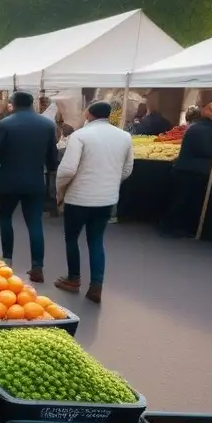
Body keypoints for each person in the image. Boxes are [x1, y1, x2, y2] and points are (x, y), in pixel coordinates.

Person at [53, 101, 134, 303]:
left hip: (78, 197)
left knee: (72, 238)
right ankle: (96, 284)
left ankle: (73, 279)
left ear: (88, 114)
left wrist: (60, 190)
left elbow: (67, 170)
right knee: (96, 240)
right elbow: (127, 169)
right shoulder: (124, 136)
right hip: (106, 198)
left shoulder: (80, 136)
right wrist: (110, 183)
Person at [0, 91, 57, 282]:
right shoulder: (47, 125)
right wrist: (50, 172)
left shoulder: (5, 124)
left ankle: (7, 260)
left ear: (13, 104)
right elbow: (52, 156)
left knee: (6, 219)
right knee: (35, 223)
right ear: (32, 104)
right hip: (34, 182)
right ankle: (37, 266)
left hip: (9, 180)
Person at [159, 106, 212, 238]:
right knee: (192, 201)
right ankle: (183, 227)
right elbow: (209, 150)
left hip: (185, 168)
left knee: (180, 199)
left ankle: (169, 226)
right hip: (201, 169)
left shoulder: (194, 129)